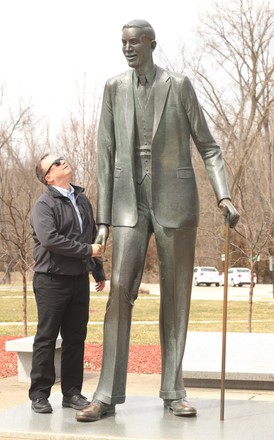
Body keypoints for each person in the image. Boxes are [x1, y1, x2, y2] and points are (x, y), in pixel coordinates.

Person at [76, 19, 240, 422]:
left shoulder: (178, 85)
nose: (128, 49)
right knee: (118, 290)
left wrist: (225, 195)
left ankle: (173, 391)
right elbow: (104, 154)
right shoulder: (114, 87)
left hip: (176, 201)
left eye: (135, 43)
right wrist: (104, 218)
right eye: (123, 43)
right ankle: (107, 394)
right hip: (130, 202)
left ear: (152, 44)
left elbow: (209, 146)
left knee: (176, 296)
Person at [29, 153, 106, 414]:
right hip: (51, 280)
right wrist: (88, 251)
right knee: (47, 338)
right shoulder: (43, 205)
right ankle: (39, 394)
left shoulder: (82, 199)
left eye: (62, 158)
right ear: (48, 176)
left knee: (76, 338)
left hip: (78, 280)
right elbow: (51, 240)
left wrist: (97, 271)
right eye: (57, 162)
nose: (64, 161)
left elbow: (90, 236)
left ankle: (72, 393)